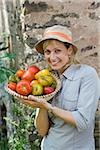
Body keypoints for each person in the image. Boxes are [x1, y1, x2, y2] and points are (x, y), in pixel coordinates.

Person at [18, 25, 100, 150]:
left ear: (70, 50)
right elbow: (42, 131)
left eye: (57, 51)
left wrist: (49, 107)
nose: (52, 57)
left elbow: (83, 122)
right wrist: (41, 107)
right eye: (48, 52)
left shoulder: (87, 75)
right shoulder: (47, 80)